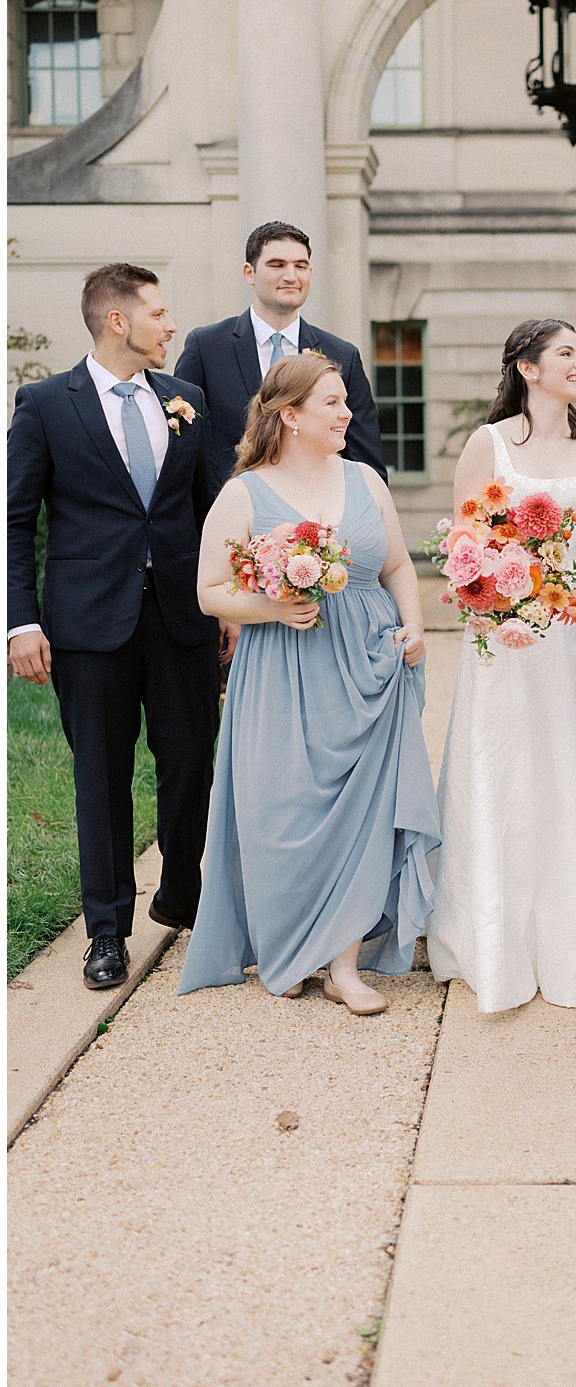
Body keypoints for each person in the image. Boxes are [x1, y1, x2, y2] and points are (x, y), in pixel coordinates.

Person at [178, 352, 437, 1011]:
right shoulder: (244, 493)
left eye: (345, 400)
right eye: (331, 403)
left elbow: (400, 565)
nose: (347, 413)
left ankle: (344, 966)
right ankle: (287, 948)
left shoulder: (366, 482)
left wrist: (414, 626)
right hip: (282, 673)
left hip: (369, 670)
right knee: (282, 811)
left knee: (361, 818)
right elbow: (210, 592)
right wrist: (271, 606)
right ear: (290, 416)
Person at [6, 264, 219, 988]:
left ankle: (182, 891)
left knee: (192, 759)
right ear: (117, 321)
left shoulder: (184, 398)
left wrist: (221, 603)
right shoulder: (44, 404)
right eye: (159, 313)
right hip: (87, 624)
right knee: (100, 774)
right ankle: (106, 931)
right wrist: (20, 622)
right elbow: (15, 520)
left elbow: (205, 505)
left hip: (182, 618)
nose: (171, 325)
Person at [425, 319, 576, 1012]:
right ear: (527, 367)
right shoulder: (488, 446)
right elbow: (463, 551)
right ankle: (499, 924)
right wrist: (498, 601)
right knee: (512, 766)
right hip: (508, 640)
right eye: (567, 354)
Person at [173, 221, 385, 508]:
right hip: (228, 517)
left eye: (301, 265)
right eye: (277, 265)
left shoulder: (342, 354)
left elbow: (365, 460)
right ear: (250, 273)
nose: (291, 276)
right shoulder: (206, 346)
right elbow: (184, 450)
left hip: (318, 524)